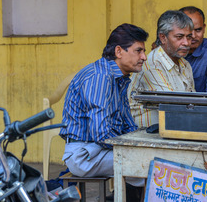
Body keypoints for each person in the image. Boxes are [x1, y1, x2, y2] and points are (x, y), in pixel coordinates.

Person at [59, 23, 149, 201]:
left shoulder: (119, 78)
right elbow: (102, 135)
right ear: (118, 52)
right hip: (85, 155)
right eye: (138, 51)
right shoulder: (99, 77)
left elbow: (127, 125)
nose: (144, 57)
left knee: (153, 160)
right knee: (152, 166)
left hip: (99, 150)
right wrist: (135, 149)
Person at [128, 10, 196, 128]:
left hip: (173, 129)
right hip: (144, 135)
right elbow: (173, 107)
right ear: (163, 38)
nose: (186, 43)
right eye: (179, 37)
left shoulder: (185, 64)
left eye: (189, 37)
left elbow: (193, 103)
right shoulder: (152, 63)